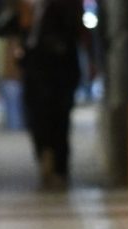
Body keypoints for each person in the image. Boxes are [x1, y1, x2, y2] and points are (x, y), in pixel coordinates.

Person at [21, 0, 84, 188]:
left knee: (60, 122)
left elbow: (73, 35)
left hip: (59, 73)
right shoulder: (28, 9)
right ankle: (44, 154)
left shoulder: (64, 6)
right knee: (37, 119)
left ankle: (60, 168)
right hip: (35, 74)